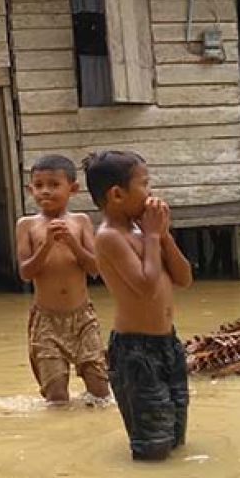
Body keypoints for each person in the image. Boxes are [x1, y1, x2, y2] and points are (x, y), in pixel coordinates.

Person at [83, 150, 193, 461]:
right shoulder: (109, 237)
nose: (151, 193)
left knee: (175, 436)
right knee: (152, 447)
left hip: (167, 343)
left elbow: (184, 278)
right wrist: (153, 237)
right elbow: (145, 286)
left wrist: (164, 236)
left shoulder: (143, 234)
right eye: (145, 184)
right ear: (117, 194)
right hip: (135, 351)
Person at [15, 154, 109, 404]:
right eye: (39, 185)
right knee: (56, 396)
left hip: (82, 318)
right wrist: (46, 245)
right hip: (46, 320)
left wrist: (71, 242)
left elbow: (94, 268)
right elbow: (25, 273)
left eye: (54, 185)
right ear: (30, 189)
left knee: (100, 390)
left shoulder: (80, 222)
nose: (45, 191)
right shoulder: (26, 225)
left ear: (73, 188)